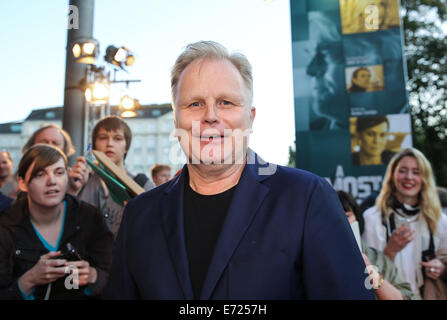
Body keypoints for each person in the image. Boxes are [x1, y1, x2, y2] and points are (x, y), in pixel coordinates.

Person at [104, 41, 374, 300]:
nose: (210, 115)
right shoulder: (139, 216)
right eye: (195, 103)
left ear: (250, 117)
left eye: (226, 102)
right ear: (176, 119)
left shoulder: (307, 198)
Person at [0, 144, 113, 300]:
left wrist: (94, 277)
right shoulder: (6, 225)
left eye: (59, 173)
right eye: (40, 174)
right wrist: (29, 280)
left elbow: (115, 276)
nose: (52, 181)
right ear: (22, 183)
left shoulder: (89, 217)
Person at [363, 148, 447, 299]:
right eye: (402, 170)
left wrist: (440, 268)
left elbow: (444, 261)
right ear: (392, 175)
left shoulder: (439, 219)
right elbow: (368, 270)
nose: (409, 177)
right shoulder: (373, 218)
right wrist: (390, 251)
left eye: (416, 172)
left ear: (425, 178)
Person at [69, 116, 154, 237]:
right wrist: (72, 190)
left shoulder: (142, 184)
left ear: (126, 147)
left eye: (117, 138)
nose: (109, 144)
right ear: (94, 145)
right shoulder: (81, 181)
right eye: (103, 138)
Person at [337, 190, 418, 300]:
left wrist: (373, 275)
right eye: (335, 218)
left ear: (357, 218)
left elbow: (408, 297)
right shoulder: (312, 259)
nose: (343, 223)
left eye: (347, 216)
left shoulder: (378, 259)